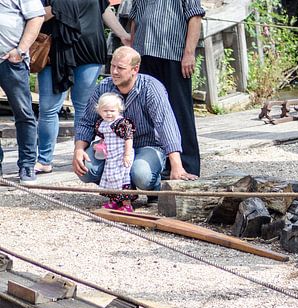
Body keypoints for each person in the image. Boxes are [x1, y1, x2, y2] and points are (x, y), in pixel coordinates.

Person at [72, 46, 197, 192]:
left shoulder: (151, 87)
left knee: (141, 175)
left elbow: (166, 124)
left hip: (148, 145)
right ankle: (118, 188)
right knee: (86, 168)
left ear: (135, 69)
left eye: (120, 68)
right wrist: (78, 149)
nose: (114, 72)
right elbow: (87, 121)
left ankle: (155, 186)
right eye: (112, 66)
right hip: (113, 145)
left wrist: (177, 166)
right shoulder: (104, 87)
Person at [34, 0, 131, 175]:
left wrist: (122, 33)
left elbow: (103, 9)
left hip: (89, 48)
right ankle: (44, 160)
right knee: (48, 108)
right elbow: (36, 14)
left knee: (84, 108)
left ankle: (81, 156)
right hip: (56, 50)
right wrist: (59, 7)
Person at [128, 0, 203, 177]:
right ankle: (156, 166)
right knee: (146, 112)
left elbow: (195, 16)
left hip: (173, 52)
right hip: (143, 53)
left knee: (179, 109)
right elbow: (134, 20)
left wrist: (189, 52)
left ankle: (187, 165)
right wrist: (131, 53)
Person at [0, 0, 44, 181]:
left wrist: (20, 50)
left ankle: (27, 165)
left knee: (23, 113)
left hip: (11, 60)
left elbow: (37, 16)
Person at [93, 92, 136, 211]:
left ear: (118, 110)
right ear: (99, 110)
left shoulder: (121, 123)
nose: (109, 114)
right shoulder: (102, 124)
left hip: (121, 154)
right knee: (111, 177)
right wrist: (100, 144)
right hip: (111, 156)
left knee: (123, 177)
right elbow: (104, 137)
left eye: (112, 111)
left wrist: (127, 155)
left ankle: (127, 204)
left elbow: (128, 139)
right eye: (105, 111)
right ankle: (114, 201)